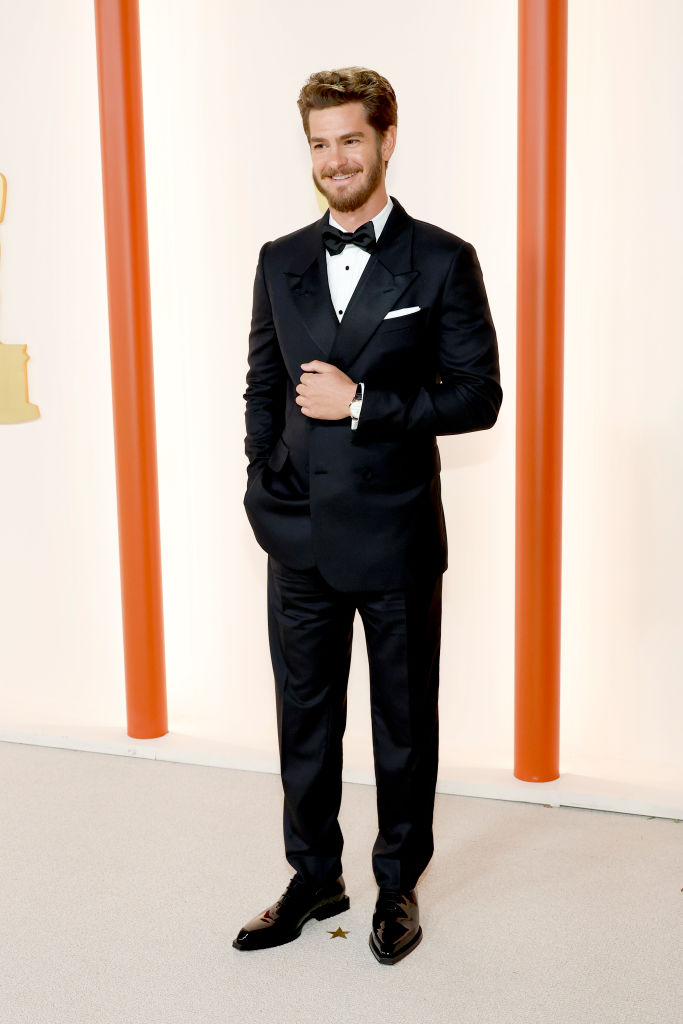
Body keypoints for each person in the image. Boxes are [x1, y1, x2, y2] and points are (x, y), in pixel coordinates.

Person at [233, 67, 502, 965]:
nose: (334, 159)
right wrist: (258, 481)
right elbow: (264, 384)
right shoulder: (279, 258)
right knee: (302, 718)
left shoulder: (441, 259)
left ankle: (396, 884)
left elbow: (477, 396)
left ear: (386, 140)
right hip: (296, 530)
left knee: (401, 721)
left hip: (393, 533)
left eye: (350, 139)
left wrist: (360, 404)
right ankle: (314, 875)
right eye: (318, 143)